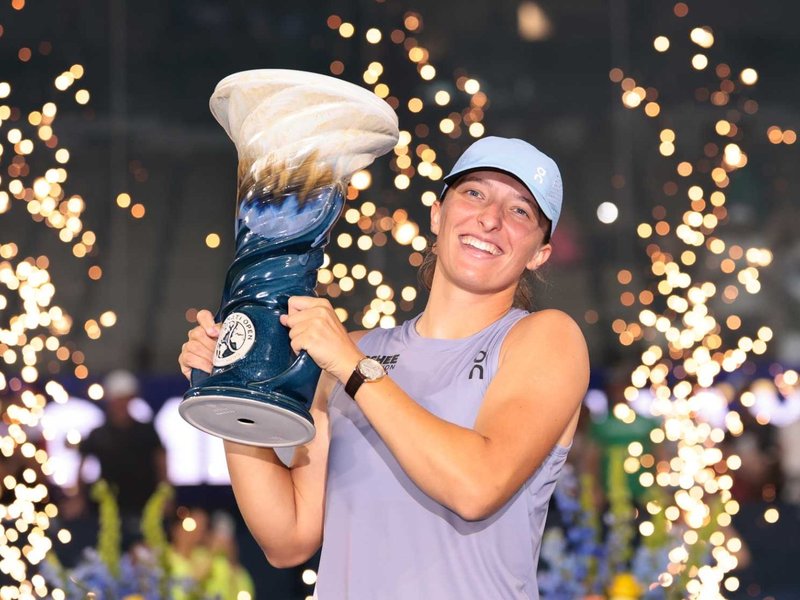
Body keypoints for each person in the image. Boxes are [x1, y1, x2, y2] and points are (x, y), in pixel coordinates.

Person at [179, 136, 589, 598]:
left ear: (539, 252)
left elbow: (476, 487)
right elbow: (289, 539)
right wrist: (233, 394)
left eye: (520, 211)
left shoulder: (546, 338)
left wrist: (354, 368)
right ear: (438, 215)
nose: (491, 219)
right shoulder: (350, 351)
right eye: (474, 193)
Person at [78, 369, 168, 547]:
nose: (120, 403)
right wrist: (78, 498)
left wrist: (165, 497)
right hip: (107, 512)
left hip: (144, 506)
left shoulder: (146, 431)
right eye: (117, 398)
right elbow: (81, 466)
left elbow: (161, 462)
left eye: (125, 398)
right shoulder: (98, 434)